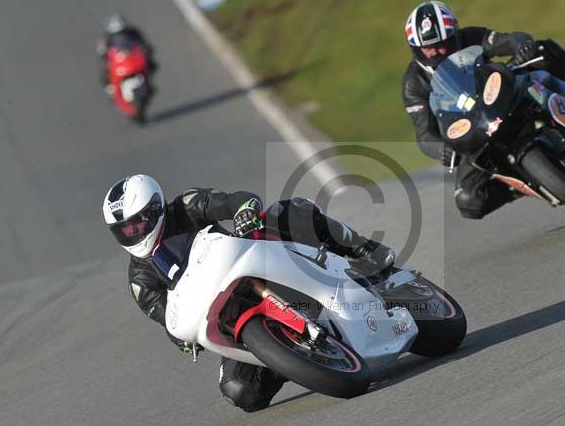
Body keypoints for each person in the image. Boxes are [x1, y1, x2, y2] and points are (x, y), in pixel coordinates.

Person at [101, 174, 394, 412]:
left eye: (138, 223)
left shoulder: (186, 206)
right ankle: (293, 355)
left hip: (256, 261)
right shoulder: (140, 280)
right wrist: (181, 338)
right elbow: (167, 317)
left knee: (289, 213)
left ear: (156, 208)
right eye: (124, 230)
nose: (134, 232)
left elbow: (234, 201)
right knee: (239, 391)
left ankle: (363, 251)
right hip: (228, 313)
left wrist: (244, 212)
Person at [402, 0, 565, 220]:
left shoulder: (471, 36)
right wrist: (442, 151)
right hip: (476, 128)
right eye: (428, 48)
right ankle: (524, 182)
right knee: (468, 200)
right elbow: (424, 132)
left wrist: (523, 46)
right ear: (415, 49)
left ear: (454, 35)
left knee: (544, 51)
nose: (436, 51)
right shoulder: (414, 83)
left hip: (507, 94)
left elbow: (509, 40)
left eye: (443, 44)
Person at [96, 14, 158, 94]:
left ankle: (147, 82)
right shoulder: (106, 38)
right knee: (105, 70)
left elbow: (143, 43)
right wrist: (106, 55)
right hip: (118, 60)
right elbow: (102, 51)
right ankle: (110, 87)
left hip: (133, 57)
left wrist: (145, 49)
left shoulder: (133, 32)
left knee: (151, 64)